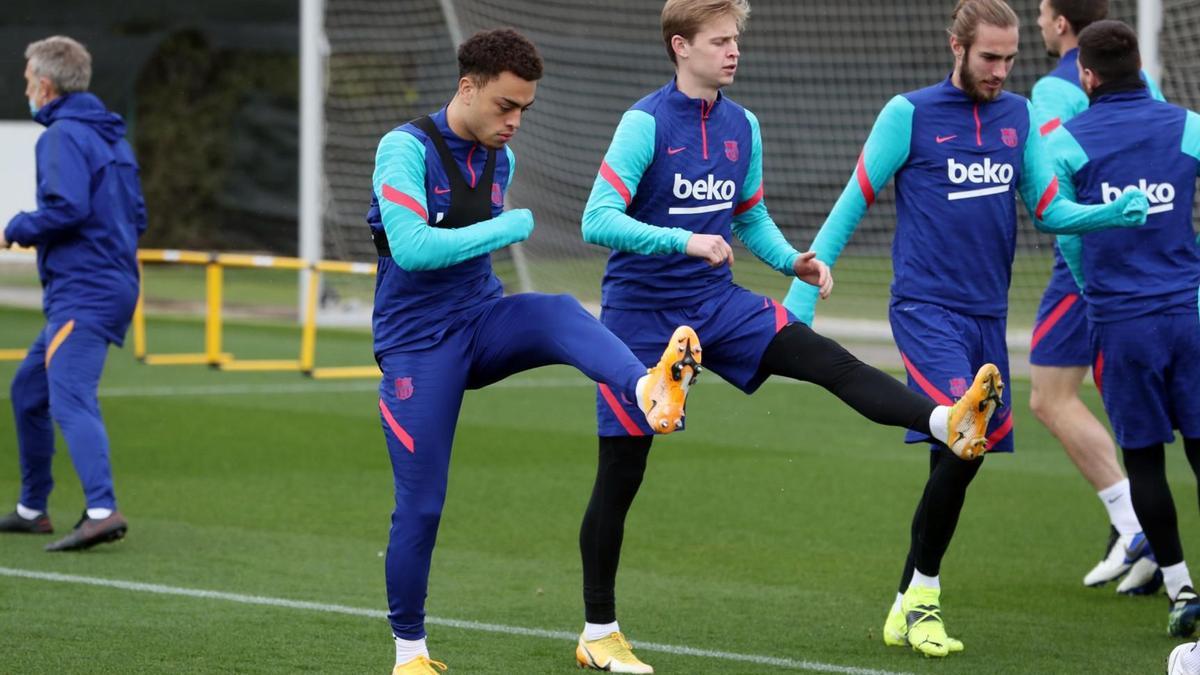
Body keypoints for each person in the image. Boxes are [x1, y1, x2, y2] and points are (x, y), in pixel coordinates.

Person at [575, 1, 1003, 671]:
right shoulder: (644, 123)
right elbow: (596, 220)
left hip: (716, 305)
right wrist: (683, 240)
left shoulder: (744, 124)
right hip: (641, 319)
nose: (732, 51)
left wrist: (792, 261)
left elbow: (750, 216)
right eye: (719, 41)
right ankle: (599, 631)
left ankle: (946, 419)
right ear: (680, 46)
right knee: (621, 471)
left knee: (827, 360)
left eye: (735, 39)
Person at [782, 0, 1148, 658]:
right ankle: (924, 600)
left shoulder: (1019, 117)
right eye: (989, 58)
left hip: (985, 316)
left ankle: (903, 601)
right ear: (956, 46)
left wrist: (1109, 214)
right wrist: (802, 295)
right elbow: (854, 196)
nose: (1001, 71)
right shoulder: (909, 115)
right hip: (926, 310)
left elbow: (1049, 209)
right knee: (962, 434)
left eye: (1010, 58)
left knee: (957, 458)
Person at [368, 29, 703, 674]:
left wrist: (497, 232)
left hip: (482, 320)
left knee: (554, 309)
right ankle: (410, 654)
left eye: (525, 109)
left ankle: (646, 388)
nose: (515, 122)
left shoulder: (503, 157)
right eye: (504, 106)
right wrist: (507, 225)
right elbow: (411, 248)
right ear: (467, 87)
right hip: (417, 348)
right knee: (423, 503)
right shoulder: (404, 149)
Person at [1047, 19, 1200, 638]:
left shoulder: (1069, 139)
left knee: (1144, 462)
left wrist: (1095, 293)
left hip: (1122, 323)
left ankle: (1180, 588)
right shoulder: (1187, 125)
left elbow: (1065, 232)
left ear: (1086, 75)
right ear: (1139, 66)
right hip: (1188, 316)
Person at [1030, 0, 1162, 594]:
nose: (1037, 23)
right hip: (1154, 256)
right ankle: (1142, 536)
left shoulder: (1052, 91)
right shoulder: (1145, 79)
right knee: (1128, 397)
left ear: (1061, 24)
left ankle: (1138, 527)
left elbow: (1053, 185)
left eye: (1040, 12)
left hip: (1086, 260)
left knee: (1050, 396)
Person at [0, 36, 145, 552]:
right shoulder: (112, 138)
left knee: (70, 398)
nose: (26, 89)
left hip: (84, 290)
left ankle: (102, 510)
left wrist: (13, 227)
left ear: (44, 84)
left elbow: (66, 209)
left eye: (26, 81)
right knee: (28, 392)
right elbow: (138, 216)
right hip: (108, 282)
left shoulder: (61, 137)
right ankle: (32, 507)